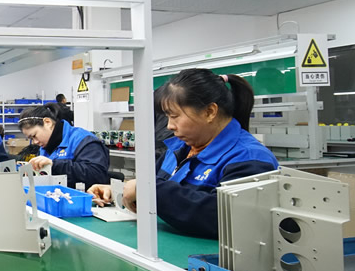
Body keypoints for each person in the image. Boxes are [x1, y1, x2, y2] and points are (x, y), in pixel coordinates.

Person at [88, 69, 278, 239]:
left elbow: (225, 216)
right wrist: (121, 191)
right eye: (167, 117)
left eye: (175, 116)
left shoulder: (250, 158)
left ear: (210, 112)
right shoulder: (177, 149)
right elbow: (158, 188)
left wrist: (148, 190)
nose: (169, 126)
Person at [19, 103, 109, 188]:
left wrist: (54, 165)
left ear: (47, 122)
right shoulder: (44, 147)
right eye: (31, 139)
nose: (34, 142)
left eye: (34, 136)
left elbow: (97, 175)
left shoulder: (83, 140)